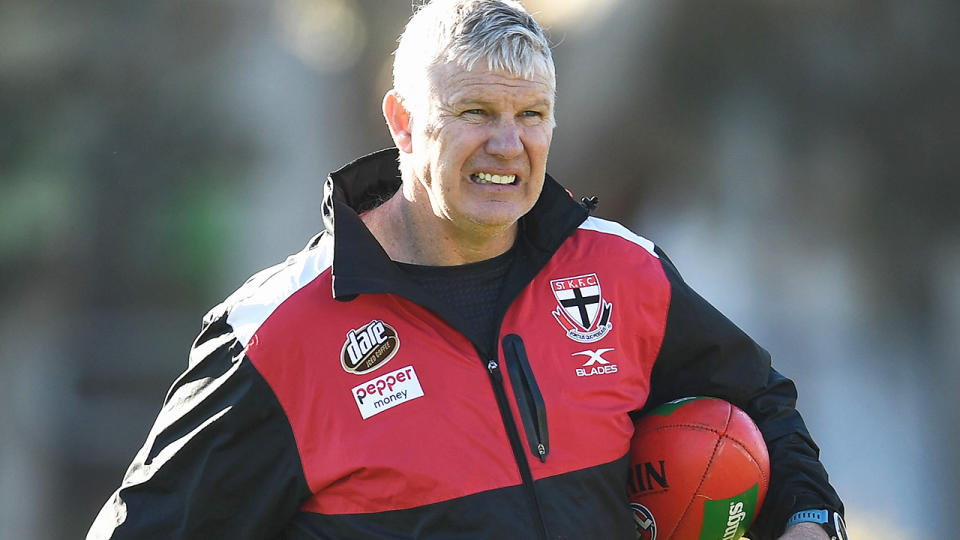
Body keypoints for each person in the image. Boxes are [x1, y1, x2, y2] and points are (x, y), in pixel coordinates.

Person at [88, 1, 846, 539]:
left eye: (532, 115)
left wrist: (810, 521)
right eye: (475, 112)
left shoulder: (623, 271)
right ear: (402, 122)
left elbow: (763, 402)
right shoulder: (275, 339)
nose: (508, 146)